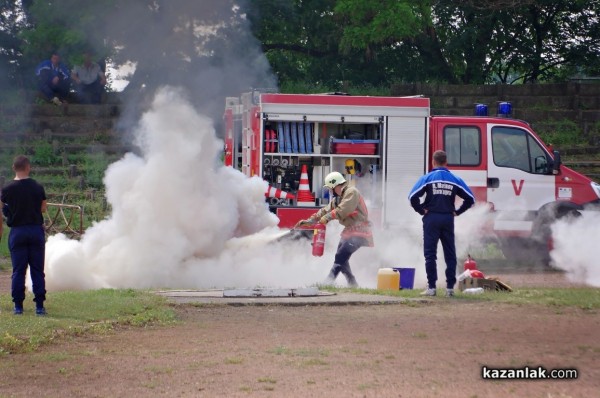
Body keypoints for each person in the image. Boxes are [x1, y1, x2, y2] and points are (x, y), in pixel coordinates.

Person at [408, 150, 475, 297]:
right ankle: (449, 289)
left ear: (433, 161)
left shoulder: (427, 178)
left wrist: (421, 210)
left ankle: (431, 288)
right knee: (450, 253)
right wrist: (457, 212)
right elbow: (470, 199)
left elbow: (412, 197)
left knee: (430, 254)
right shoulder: (454, 179)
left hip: (431, 218)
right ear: (446, 162)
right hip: (447, 219)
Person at [295, 171, 373, 287]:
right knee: (341, 258)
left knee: (340, 256)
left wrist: (326, 218)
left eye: (330, 188)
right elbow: (324, 211)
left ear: (335, 185)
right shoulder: (337, 199)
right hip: (350, 231)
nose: (330, 191)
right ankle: (353, 283)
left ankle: (328, 282)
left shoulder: (351, 192)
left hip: (360, 232)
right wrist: (309, 221)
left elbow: (343, 209)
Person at [1, 156, 48, 315]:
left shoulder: (7, 189)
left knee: (18, 270)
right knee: (37, 270)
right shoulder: (37, 186)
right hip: (35, 230)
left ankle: (18, 306)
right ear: (28, 167)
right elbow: (43, 209)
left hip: (17, 232)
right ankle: (40, 306)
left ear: (14, 168)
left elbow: (1, 208)